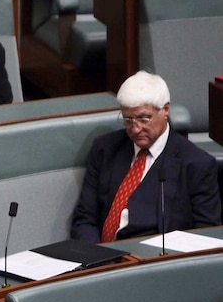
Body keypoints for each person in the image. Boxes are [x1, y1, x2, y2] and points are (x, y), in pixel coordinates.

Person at [71, 71, 221, 243]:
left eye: (144, 119)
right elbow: (85, 218)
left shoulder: (196, 164)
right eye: (128, 120)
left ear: (165, 110)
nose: (135, 129)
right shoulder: (105, 149)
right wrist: (93, 259)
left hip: (152, 262)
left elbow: (206, 238)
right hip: (100, 258)